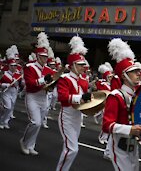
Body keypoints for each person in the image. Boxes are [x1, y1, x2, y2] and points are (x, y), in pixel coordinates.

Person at [102, 38, 141, 171]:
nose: (138, 74)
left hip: (133, 143)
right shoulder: (116, 96)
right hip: (118, 144)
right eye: (133, 72)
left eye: (138, 71)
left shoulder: (138, 96)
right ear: (124, 76)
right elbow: (107, 125)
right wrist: (129, 129)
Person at [56, 35, 91, 171]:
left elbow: (84, 98)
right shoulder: (65, 78)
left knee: (70, 149)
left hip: (78, 116)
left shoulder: (83, 80)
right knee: (72, 149)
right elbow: (63, 97)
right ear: (72, 66)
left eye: (84, 64)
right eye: (81, 65)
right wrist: (81, 97)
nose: (84, 67)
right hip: (67, 116)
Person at [20, 32, 54, 155]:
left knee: (39, 124)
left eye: (46, 57)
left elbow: (52, 84)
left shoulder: (49, 70)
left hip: (43, 97)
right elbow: (29, 83)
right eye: (43, 56)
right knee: (35, 122)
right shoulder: (29, 67)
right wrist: (43, 80)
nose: (45, 59)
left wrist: (53, 84)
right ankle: (24, 142)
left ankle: (31, 145)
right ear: (38, 56)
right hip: (32, 97)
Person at [0, 46, 24, 129]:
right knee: (7, 107)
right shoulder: (4, 73)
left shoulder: (18, 74)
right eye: (12, 65)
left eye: (15, 65)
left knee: (11, 108)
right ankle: (2, 120)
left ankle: (5, 122)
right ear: (9, 66)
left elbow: (21, 83)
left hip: (14, 92)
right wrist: (5, 85)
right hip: (6, 92)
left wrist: (22, 85)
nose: (14, 67)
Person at [42, 47, 56, 129]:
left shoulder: (54, 72)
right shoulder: (45, 70)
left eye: (54, 65)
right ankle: (39, 120)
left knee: (46, 108)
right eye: (52, 65)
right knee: (43, 108)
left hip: (51, 91)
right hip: (44, 91)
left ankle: (44, 121)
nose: (53, 66)